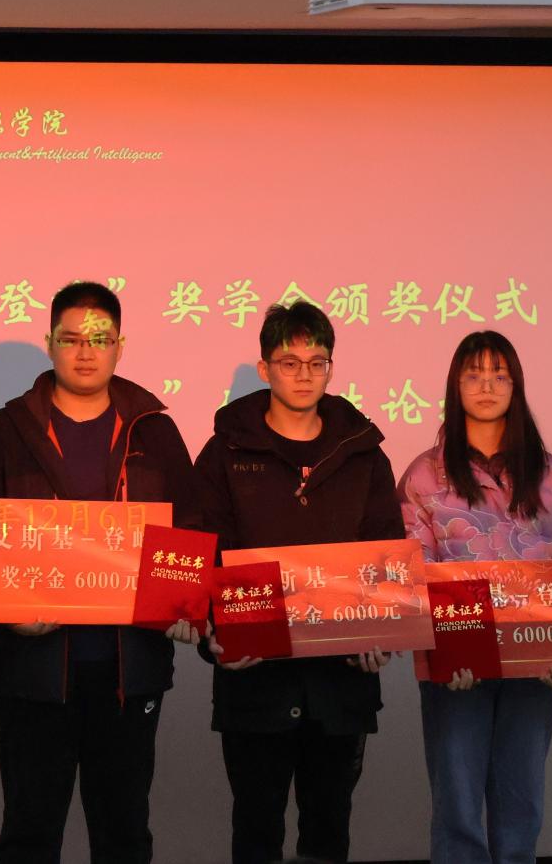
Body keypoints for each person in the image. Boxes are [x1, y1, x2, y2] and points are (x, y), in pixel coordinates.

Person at [0, 279, 203, 864]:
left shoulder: (154, 431)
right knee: (30, 833)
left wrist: (183, 604)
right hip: (31, 668)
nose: (86, 352)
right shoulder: (0, 432)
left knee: (124, 833)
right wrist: (7, 609)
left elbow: (189, 530)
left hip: (129, 666)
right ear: (50, 344)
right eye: (71, 339)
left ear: (120, 347)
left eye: (100, 339)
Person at [192, 300, 404, 864]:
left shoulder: (363, 455)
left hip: (340, 685)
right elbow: (201, 551)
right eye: (289, 362)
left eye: (317, 362)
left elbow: (385, 551)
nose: (304, 375)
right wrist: (214, 632)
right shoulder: (224, 453)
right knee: (256, 832)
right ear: (265, 369)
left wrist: (383, 634)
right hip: (254, 682)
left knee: (328, 834)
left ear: (331, 368)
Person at [398, 329, 552, 864]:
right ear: (455, 386)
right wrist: (447, 652)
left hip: (533, 666)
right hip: (456, 669)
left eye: (499, 375)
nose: (486, 386)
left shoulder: (550, 474)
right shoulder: (423, 475)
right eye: (474, 375)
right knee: (458, 812)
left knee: (520, 811)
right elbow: (415, 572)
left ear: (516, 386)